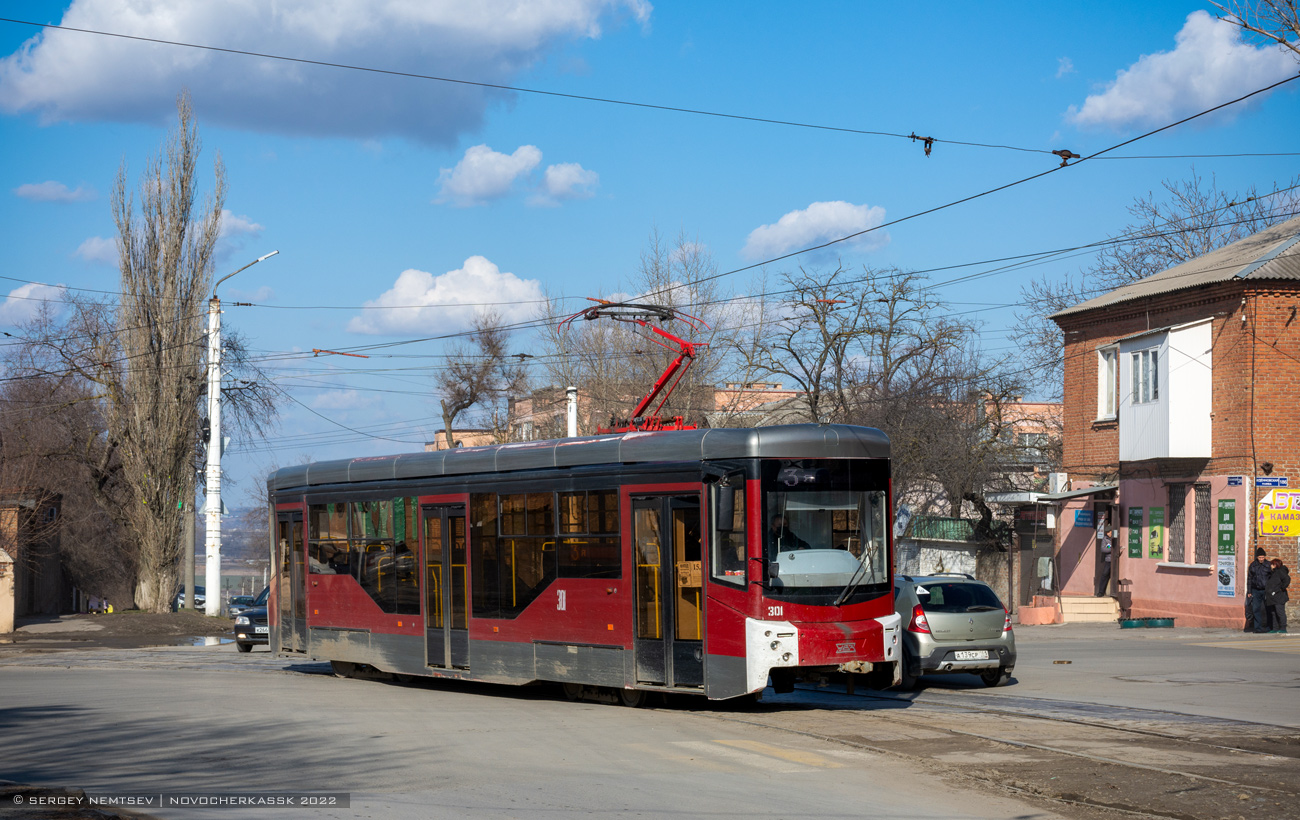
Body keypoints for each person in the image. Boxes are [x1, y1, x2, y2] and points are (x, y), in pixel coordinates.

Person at [1247, 547, 1271, 634]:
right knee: (1256, 609)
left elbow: (1272, 578)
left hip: (1266, 590)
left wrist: (1270, 589)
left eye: (1263, 557)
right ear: (1257, 557)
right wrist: (1249, 591)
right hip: (1255, 590)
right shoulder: (1253, 565)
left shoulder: (1268, 565)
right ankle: (1258, 628)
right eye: (1260, 557)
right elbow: (1249, 579)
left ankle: (1269, 627)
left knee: (1268, 608)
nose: (1261, 559)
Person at [1265, 558, 1289, 634]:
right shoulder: (1273, 572)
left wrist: (1282, 588)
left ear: (1275, 565)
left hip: (1279, 596)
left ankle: (1283, 628)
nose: (1270, 566)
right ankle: (1275, 628)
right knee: (1273, 612)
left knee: (1280, 612)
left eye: (1272, 564)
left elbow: (1287, 579)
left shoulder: (1280, 572)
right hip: (1273, 596)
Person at [1095, 516, 1113, 597]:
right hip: (1109, 560)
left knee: (1113, 576)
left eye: (1109, 532)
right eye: (1107, 532)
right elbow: (1103, 549)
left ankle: (1112, 592)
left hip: (1115, 560)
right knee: (1105, 575)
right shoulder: (1105, 539)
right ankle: (1101, 592)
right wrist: (1111, 547)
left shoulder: (1115, 538)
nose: (1108, 533)